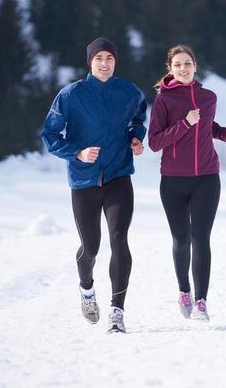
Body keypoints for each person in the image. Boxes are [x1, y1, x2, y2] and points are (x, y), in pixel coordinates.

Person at [41, 37, 147, 333]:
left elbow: (138, 118)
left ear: (116, 62)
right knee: (91, 248)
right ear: (90, 62)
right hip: (83, 180)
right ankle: (87, 290)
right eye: (99, 58)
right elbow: (50, 135)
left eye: (109, 58)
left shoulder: (129, 92)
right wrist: (77, 152)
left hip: (118, 175)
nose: (104, 63)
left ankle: (117, 312)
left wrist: (136, 138)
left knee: (119, 239)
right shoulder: (71, 95)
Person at [148, 44, 226, 321]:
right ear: (170, 69)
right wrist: (185, 124)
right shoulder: (164, 101)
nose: (183, 68)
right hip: (173, 181)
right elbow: (155, 142)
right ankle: (184, 291)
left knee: (201, 238)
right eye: (177, 64)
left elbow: (209, 127)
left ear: (195, 66)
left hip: (207, 178)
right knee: (181, 239)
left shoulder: (208, 97)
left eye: (187, 63)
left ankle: (201, 301)